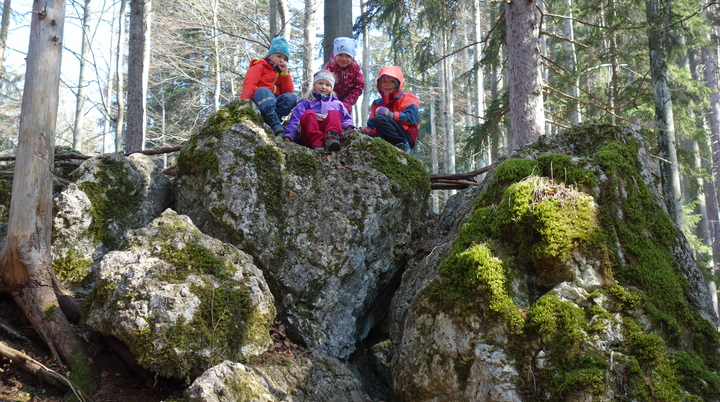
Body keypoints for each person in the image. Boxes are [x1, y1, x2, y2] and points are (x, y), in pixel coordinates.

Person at [282, 70, 354, 151]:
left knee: (335, 113)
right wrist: (289, 134)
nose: (324, 87)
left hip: (327, 131)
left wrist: (349, 126)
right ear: (314, 85)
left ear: (332, 88)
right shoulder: (306, 102)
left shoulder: (337, 103)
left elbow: (346, 118)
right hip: (309, 135)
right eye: (320, 83)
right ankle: (317, 143)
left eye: (327, 85)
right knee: (308, 113)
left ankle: (332, 138)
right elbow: (295, 119)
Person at [240, 36, 297, 135]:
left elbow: (288, 91)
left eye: (285, 59)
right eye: (278, 56)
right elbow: (249, 83)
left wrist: (285, 74)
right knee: (264, 91)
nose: (281, 60)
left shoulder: (282, 72)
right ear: (270, 55)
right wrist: (244, 102)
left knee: (291, 97)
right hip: (260, 100)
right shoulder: (259, 65)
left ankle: (275, 118)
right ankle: (273, 121)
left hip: (274, 103)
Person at [363, 66, 419, 154]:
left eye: (392, 81)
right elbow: (372, 127)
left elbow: (412, 117)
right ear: (379, 84)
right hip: (386, 135)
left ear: (398, 83)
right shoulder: (376, 103)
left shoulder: (407, 97)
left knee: (379, 119)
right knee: (365, 137)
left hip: (405, 135)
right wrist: (363, 131)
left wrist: (392, 115)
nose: (387, 84)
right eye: (384, 81)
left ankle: (403, 145)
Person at [322, 37, 364, 116]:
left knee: (344, 119)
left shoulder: (355, 70)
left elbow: (358, 87)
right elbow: (322, 81)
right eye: (340, 55)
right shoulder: (330, 68)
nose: (344, 59)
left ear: (352, 57)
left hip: (346, 102)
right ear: (335, 55)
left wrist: (348, 102)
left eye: (348, 56)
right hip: (329, 100)